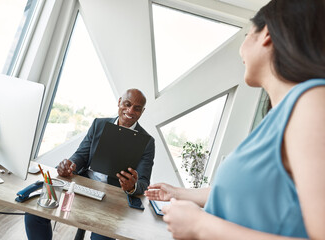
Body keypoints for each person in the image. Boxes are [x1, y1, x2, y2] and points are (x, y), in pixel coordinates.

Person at [145, 0, 325, 239]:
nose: (241, 49)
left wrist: (201, 226)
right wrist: (179, 192)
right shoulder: (283, 115)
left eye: (248, 34)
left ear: (267, 34)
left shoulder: (312, 102)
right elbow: (246, 194)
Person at [25, 88, 155, 240]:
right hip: (84, 186)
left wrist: (132, 187)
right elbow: (81, 155)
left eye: (137, 109)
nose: (130, 110)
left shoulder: (147, 142)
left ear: (142, 112)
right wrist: (70, 164)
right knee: (34, 215)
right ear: (119, 102)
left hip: (113, 200)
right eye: (127, 104)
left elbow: (144, 182)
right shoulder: (98, 124)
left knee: (102, 239)